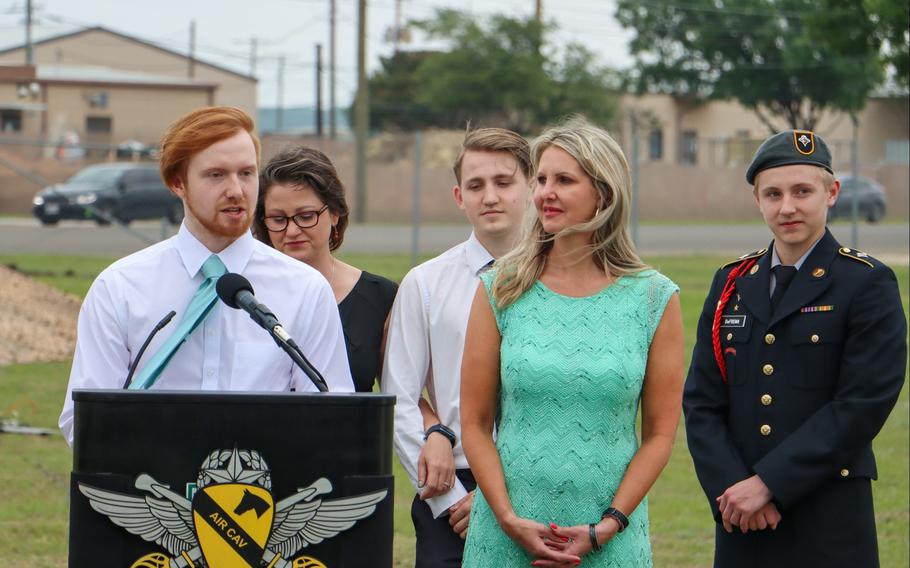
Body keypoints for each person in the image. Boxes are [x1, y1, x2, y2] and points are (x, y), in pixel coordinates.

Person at [460, 118, 684, 567]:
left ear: (604, 192)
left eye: (564, 180)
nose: (545, 192)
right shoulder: (500, 288)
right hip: (507, 536)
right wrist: (506, 518)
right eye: (541, 179)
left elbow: (659, 435)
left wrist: (607, 526)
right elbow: (475, 423)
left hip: (609, 540)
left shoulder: (654, 298)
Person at [59, 107, 354, 445]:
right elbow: (83, 420)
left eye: (246, 173)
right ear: (177, 182)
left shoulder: (305, 289)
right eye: (216, 175)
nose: (236, 190)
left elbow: (332, 414)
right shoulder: (119, 288)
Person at [683, 130, 907, 567]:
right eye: (773, 193)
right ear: (757, 201)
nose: (787, 206)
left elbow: (862, 404)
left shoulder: (865, 283)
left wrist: (768, 484)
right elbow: (701, 403)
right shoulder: (731, 283)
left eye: (802, 191)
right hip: (741, 520)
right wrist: (734, 489)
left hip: (829, 517)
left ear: (832, 192)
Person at [381, 127, 533, 567]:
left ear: (530, 186)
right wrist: (451, 500)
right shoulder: (425, 284)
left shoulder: (565, 280)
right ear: (458, 196)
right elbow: (399, 397)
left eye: (504, 182)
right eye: (476, 185)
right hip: (454, 493)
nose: (490, 196)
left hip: (540, 484)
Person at [253, 146, 397, 392]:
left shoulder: (381, 297)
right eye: (278, 219)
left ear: (335, 213)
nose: (292, 231)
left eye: (306, 216)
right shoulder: (245, 295)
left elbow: (402, 394)